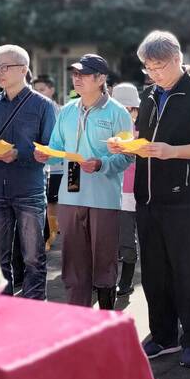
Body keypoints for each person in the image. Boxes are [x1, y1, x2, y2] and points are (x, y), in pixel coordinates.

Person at [108, 30, 190, 369]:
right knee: (154, 272)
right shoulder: (150, 95)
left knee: (188, 271)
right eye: (148, 68)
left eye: (158, 66)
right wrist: (125, 144)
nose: (153, 73)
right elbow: (145, 138)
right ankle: (163, 335)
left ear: (176, 59)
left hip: (185, 196)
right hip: (148, 196)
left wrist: (173, 152)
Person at [37, 55, 132, 309]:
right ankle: (78, 320)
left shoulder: (118, 112)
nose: (76, 78)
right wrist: (45, 154)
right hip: (70, 197)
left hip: (103, 199)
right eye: (75, 73)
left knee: (104, 262)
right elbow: (57, 146)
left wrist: (102, 164)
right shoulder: (67, 110)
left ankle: (105, 319)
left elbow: (127, 155)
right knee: (73, 264)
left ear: (101, 78)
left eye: (84, 74)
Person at [0, 44, 55, 300]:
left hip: (29, 188)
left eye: (5, 66)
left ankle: (33, 307)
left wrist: (18, 154)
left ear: (24, 70)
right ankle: (4, 308)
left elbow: (50, 148)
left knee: (33, 257)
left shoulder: (43, 106)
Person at [112, 82, 141, 297]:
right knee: (120, 239)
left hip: (139, 193)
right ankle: (115, 279)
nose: (124, 114)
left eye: (128, 109)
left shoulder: (144, 133)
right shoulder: (109, 135)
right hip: (115, 194)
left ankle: (127, 280)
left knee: (130, 241)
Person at [32, 75, 63, 250]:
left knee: (57, 201)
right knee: (48, 201)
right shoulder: (34, 109)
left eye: (42, 90)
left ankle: (54, 233)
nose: (39, 94)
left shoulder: (60, 110)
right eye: (35, 90)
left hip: (61, 166)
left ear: (51, 90)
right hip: (44, 167)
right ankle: (49, 237)